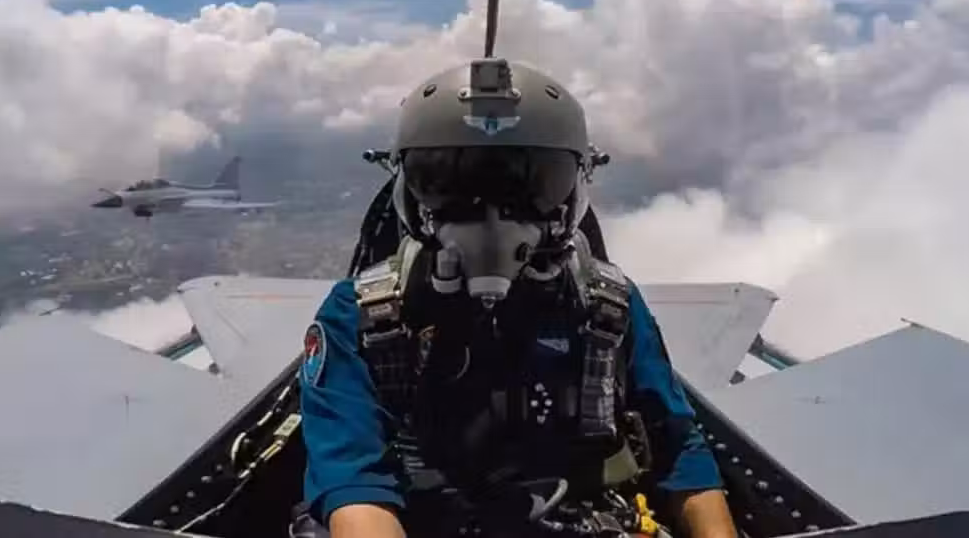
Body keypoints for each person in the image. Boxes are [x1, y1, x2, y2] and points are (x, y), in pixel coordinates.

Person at [295, 58, 738, 538]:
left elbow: (678, 450)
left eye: (529, 186)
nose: (492, 218)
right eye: (452, 185)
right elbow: (354, 485)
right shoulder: (364, 315)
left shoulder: (606, 307)